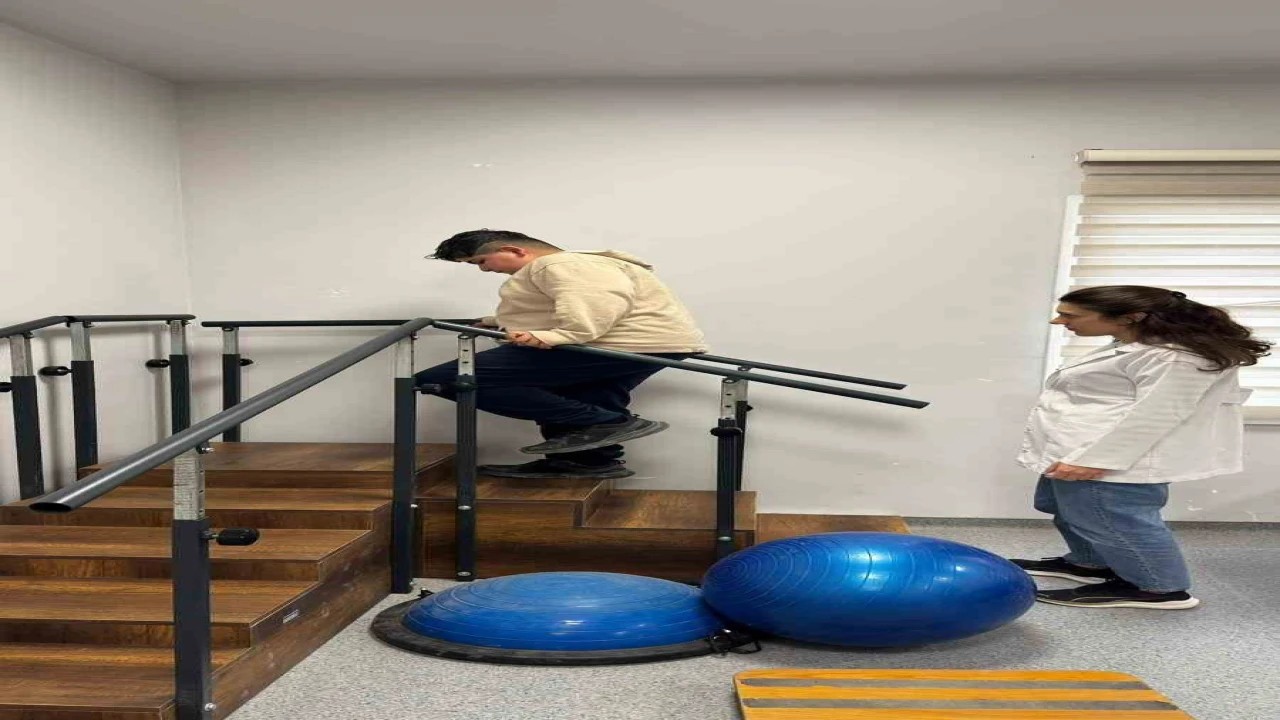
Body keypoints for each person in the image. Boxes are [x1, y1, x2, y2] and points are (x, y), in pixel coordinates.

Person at [1011, 285, 1270, 610]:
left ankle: (1160, 588)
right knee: (1070, 510)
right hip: (1077, 446)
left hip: (1111, 457)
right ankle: (1090, 563)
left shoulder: (1176, 357)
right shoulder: (1135, 344)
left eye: (1070, 315)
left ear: (1129, 317)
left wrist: (1097, 460)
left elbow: (1158, 414)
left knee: (1114, 519)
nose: (1058, 321)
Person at [415, 229, 708, 480]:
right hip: (647, 342)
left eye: (480, 261)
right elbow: (565, 304)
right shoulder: (576, 265)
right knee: (587, 392)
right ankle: (586, 462)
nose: (484, 270)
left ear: (514, 250)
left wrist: (559, 336)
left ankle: (607, 423)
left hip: (621, 343)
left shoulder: (560, 264)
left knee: (445, 379)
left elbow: (598, 301)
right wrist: (499, 322)